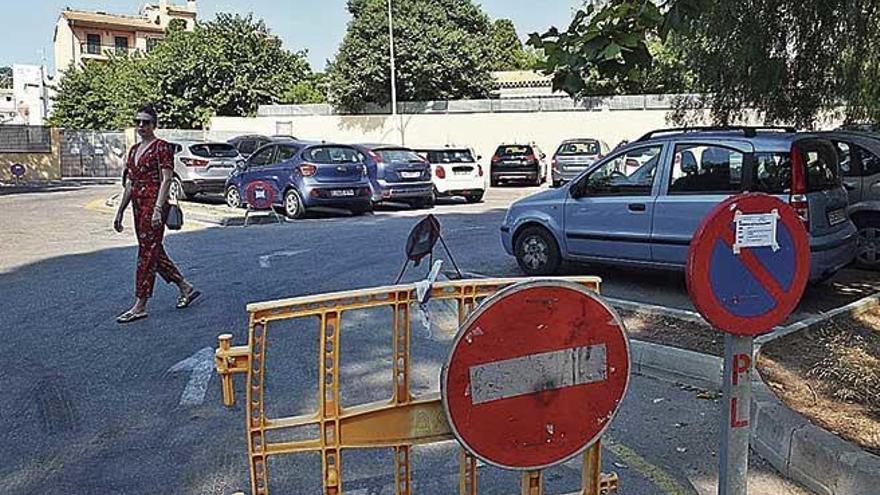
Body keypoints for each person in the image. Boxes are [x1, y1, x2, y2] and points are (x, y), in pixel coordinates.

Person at [113, 104, 200, 323]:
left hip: (153, 204)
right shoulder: (133, 150)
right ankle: (185, 287)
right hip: (137, 206)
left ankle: (140, 304)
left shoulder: (161, 147)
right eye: (138, 122)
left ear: (154, 124)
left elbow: (166, 179)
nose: (141, 126)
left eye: (146, 122)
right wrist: (120, 211)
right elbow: (130, 184)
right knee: (152, 251)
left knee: (146, 254)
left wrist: (158, 208)